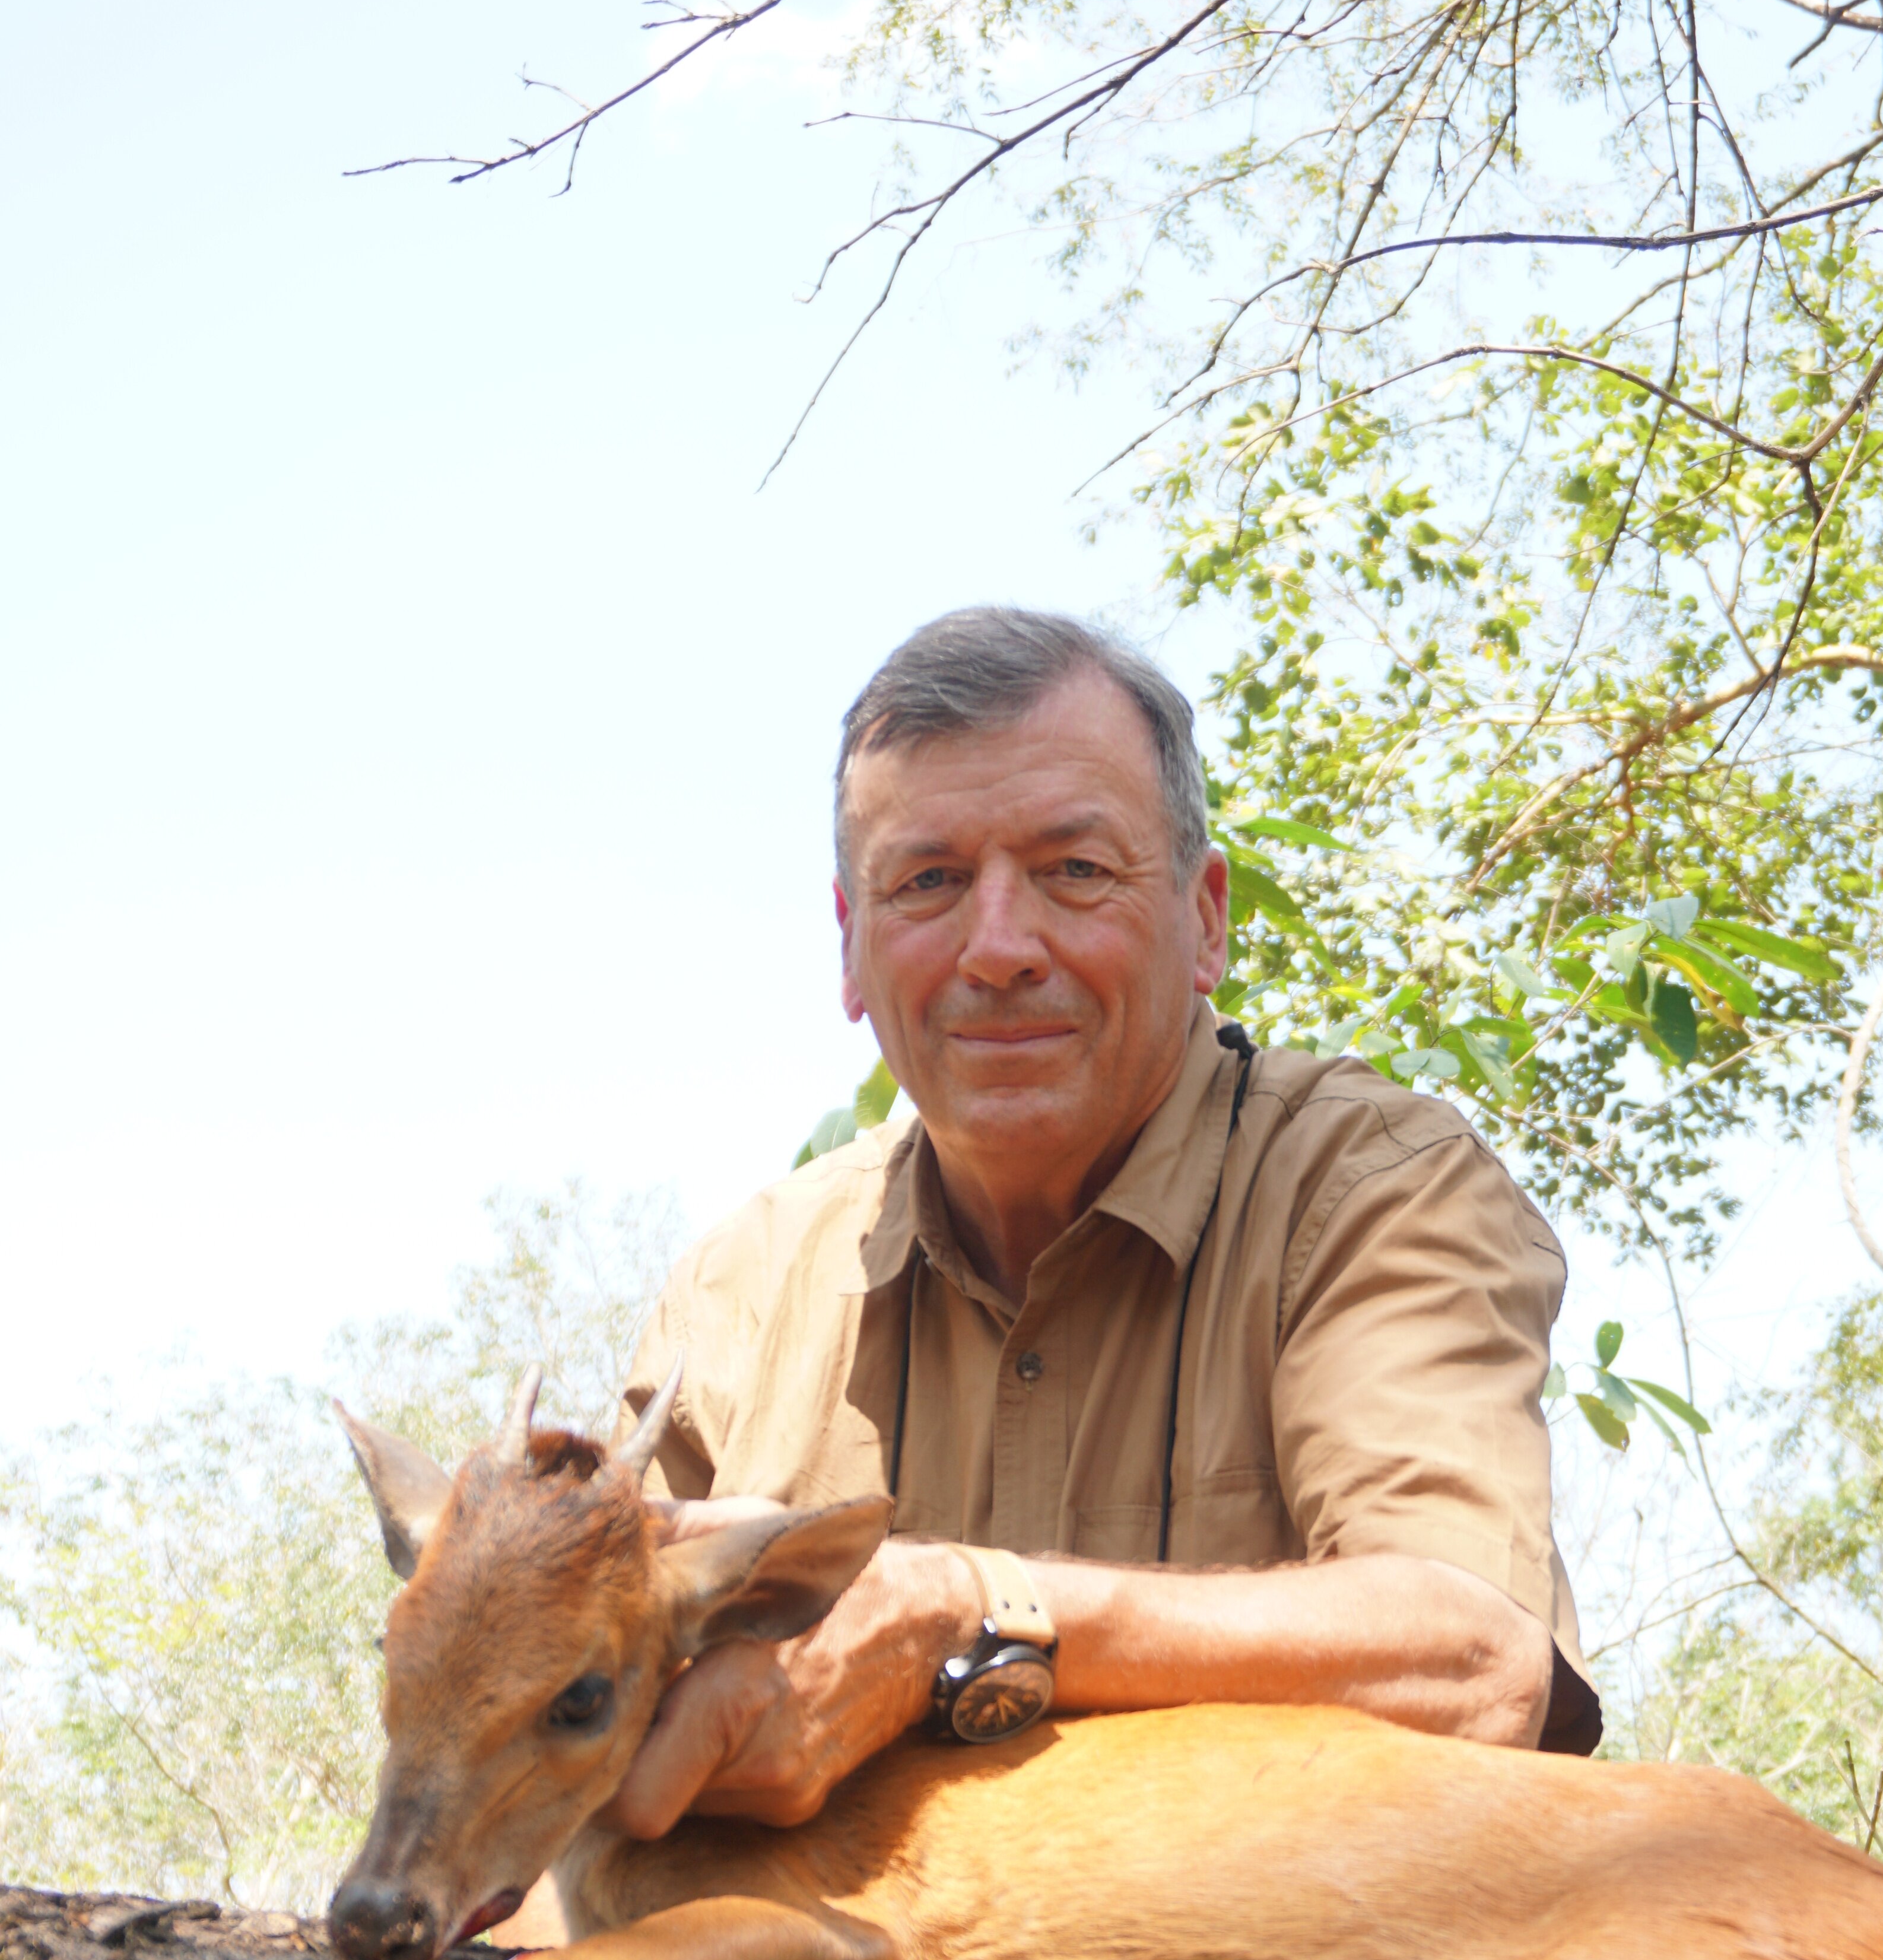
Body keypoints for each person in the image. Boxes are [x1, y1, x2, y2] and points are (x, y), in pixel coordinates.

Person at [611, 605, 1598, 1843]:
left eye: (1075, 872)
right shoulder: (737, 1296)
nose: (1001, 946)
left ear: (1206, 918)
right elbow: (573, 1726)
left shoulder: (1372, 1191)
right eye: (927, 882)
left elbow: (1474, 1666)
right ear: (850, 949)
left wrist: (967, 1610)